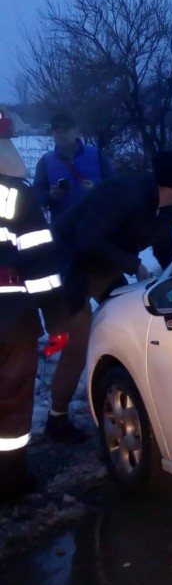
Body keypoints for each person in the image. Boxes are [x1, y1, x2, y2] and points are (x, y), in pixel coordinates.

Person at [47, 151, 172, 442]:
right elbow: (87, 239)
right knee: (79, 338)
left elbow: (165, 250)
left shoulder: (166, 210)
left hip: (102, 263)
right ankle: (57, 417)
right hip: (67, 262)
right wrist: (134, 265)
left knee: (121, 316)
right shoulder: (123, 194)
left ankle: (122, 387)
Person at [0, 109, 69, 501]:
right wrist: (57, 322)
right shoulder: (17, 194)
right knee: (11, 398)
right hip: (11, 319)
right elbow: (41, 265)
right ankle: (9, 480)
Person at [33, 112, 115, 222]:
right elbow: (36, 194)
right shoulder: (46, 161)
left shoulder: (96, 154)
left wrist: (96, 189)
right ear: (53, 134)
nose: (62, 135)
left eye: (66, 130)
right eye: (58, 132)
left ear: (75, 131)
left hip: (96, 222)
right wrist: (50, 196)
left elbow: (114, 186)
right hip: (63, 225)